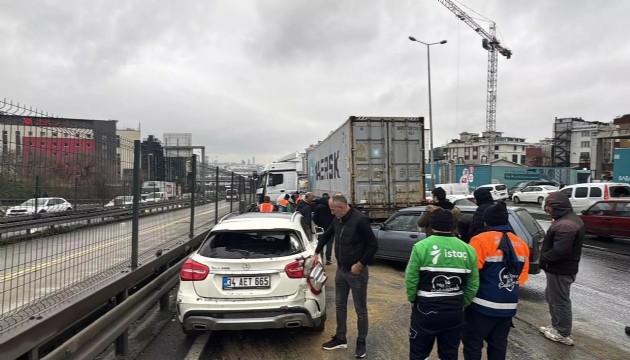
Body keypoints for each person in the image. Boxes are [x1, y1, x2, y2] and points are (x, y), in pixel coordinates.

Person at [406, 208, 479, 360]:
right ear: (453, 226)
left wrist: (413, 299)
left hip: (425, 309)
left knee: (419, 354)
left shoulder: (421, 247)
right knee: (449, 354)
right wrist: (462, 302)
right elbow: (473, 284)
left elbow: (411, 279)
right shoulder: (468, 250)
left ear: (432, 226)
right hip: (454, 311)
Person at [312, 194, 378, 358]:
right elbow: (327, 234)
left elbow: (373, 245)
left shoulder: (360, 220)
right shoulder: (338, 219)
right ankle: (341, 338)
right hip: (341, 271)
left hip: (357, 273)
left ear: (342, 207)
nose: (332, 213)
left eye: (333, 210)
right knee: (340, 306)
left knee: (360, 309)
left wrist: (361, 264)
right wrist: (316, 252)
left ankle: (361, 341)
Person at [462, 201, 530, 360]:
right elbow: (523, 276)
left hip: (481, 306)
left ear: (486, 221)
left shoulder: (480, 240)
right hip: (508, 307)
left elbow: (470, 273)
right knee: (498, 345)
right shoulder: (521, 244)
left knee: (472, 344)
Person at [539, 191, 585, 346]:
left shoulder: (566, 225)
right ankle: (556, 326)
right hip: (558, 269)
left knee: (560, 300)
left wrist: (543, 258)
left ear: (555, 206)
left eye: (548, 207)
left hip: (561, 269)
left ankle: (563, 332)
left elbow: (560, 251)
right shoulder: (565, 220)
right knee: (551, 297)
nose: (547, 210)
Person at [313, 192, 334, 265]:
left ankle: (321, 258)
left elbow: (315, 218)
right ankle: (328, 260)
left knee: (321, 243)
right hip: (331, 227)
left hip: (320, 228)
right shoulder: (332, 206)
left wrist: (318, 224)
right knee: (330, 244)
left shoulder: (318, 206)